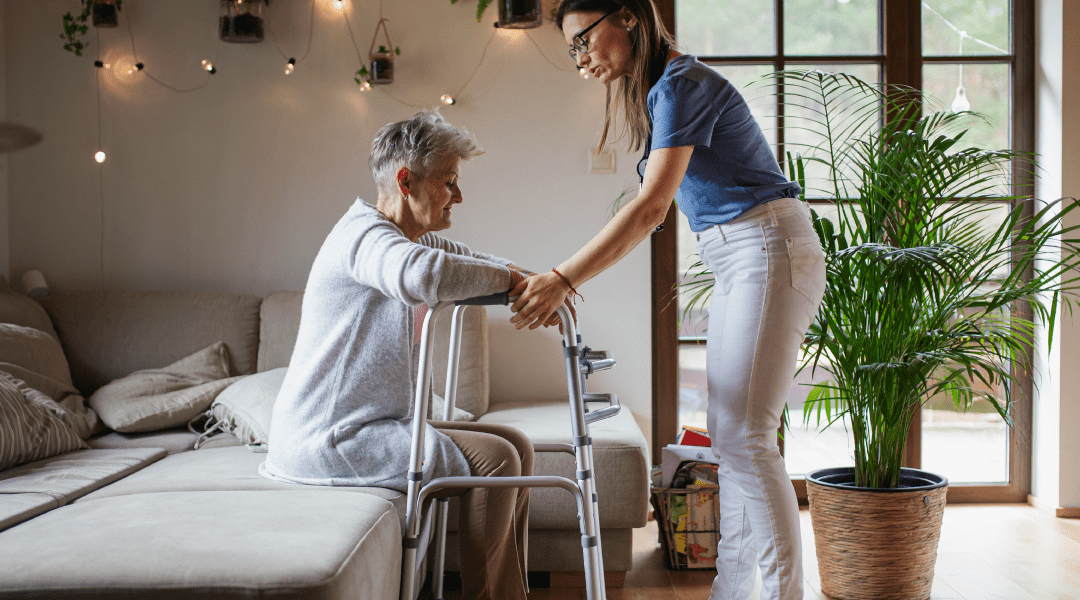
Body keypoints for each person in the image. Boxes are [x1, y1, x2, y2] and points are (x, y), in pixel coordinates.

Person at [509, 2, 826, 599]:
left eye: (584, 40)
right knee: (730, 437)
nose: (582, 59)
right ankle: (732, 592)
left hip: (768, 246)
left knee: (749, 439)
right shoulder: (661, 92)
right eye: (572, 50)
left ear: (626, 17)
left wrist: (563, 277)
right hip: (740, 254)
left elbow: (652, 208)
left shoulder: (682, 84)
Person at [260, 110, 533, 600]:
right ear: (406, 180)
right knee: (498, 461)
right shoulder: (365, 238)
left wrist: (534, 281)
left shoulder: (405, 236)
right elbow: (423, 276)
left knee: (517, 443)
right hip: (332, 438)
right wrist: (514, 282)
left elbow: (468, 260)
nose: (460, 196)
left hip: (371, 425)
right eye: (449, 182)